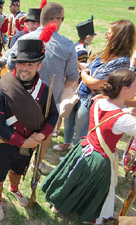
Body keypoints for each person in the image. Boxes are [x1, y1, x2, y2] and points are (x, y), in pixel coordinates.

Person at [41, 68, 136, 224]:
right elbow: (121, 117)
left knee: (72, 179)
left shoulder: (100, 101)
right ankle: (83, 211)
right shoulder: (123, 119)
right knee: (91, 190)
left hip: (84, 148)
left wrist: (128, 111)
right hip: (99, 160)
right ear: (124, 89)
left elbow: (116, 111)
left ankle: (58, 205)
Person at [0, 38, 59, 220]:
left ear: (39, 66)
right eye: (21, 63)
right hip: (6, 143)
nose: (24, 68)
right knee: (0, 173)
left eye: (30, 64)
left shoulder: (44, 90)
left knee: (19, 170)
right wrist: (23, 141)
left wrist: (42, 135)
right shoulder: (1, 90)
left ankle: (14, 189)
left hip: (31, 144)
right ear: (15, 63)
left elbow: (53, 116)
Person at [8, 2, 79, 174]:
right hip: (46, 102)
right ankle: (34, 163)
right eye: (62, 19)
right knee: (44, 134)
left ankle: (26, 163)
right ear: (55, 20)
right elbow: (72, 78)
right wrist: (58, 93)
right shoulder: (67, 45)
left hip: (26, 99)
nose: (62, 21)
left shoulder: (24, 39)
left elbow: (10, 67)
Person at [54, 20, 135, 151]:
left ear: (119, 36)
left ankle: (76, 155)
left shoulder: (122, 61)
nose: (106, 35)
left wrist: (84, 74)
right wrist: (84, 70)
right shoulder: (107, 53)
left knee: (81, 131)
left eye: (109, 33)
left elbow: (95, 84)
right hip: (80, 93)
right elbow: (92, 71)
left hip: (89, 100)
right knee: (69, 121)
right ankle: (67, 144)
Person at [52, 17, 96, 145]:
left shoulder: (77, 45)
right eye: (92, 35)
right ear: (87, 36)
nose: (93, 38)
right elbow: (80, 68)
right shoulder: (82, 50)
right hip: (74, 84)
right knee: (66, 109)